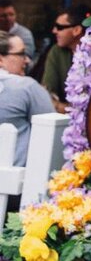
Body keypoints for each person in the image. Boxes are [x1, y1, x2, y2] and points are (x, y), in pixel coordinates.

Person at [0, 31, 55, 168]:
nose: (27, 60)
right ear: (1, 60)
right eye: (21, 54)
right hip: (18, 180)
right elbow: (52, 133)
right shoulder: (27, 87)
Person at [41, 4, 89, 112]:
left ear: (76, 30)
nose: (54, 31)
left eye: (59, 27)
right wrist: (71, 111)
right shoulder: (56, 51)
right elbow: (47, 92)